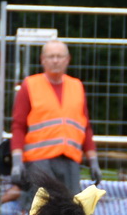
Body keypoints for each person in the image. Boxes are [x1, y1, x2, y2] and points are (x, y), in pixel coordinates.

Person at [10, 38, 99, 195]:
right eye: (51, 56)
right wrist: (17, 162)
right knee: (43, 212)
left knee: (69, 212)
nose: (55, 61)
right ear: (42, 60)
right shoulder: (30, 85)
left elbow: (86, 127)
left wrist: (93, 161)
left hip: (70, 161)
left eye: (59, 56)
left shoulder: (77, 86)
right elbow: (18, 126)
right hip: (39, 162)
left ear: (67, 59)